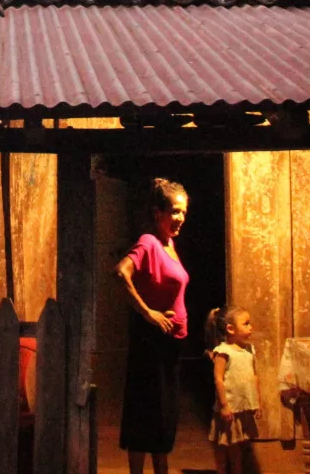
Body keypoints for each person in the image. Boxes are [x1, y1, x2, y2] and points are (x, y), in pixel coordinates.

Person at [115, 178, 189, 474]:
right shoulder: (148, 242)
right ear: (158, 212)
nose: (180, 218)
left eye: (183, 212)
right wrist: (149, 313)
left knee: (163, 418)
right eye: (174, 211)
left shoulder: (169, 244)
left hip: (169, 346)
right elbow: (121, 273)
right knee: (145, 417)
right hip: (151, 344)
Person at [205, 305, 261, 474]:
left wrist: (257, 402)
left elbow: (254, 376)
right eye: (246, 323)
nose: (250, 327)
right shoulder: (223, 352)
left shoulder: (249, 350)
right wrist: (224, 405)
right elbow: (219, 379)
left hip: (243, 407)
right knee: (225, 446)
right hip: (230, 408)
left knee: (239, 446)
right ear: (230, 328)